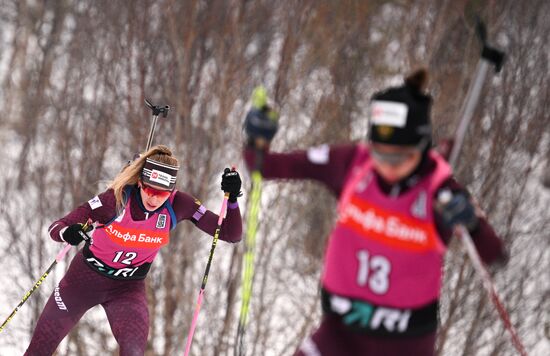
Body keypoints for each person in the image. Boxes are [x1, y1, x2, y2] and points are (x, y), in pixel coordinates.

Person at [242, 70, 507, 356]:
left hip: (406, 345)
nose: (388, 167)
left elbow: (495, 256)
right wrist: (257, 139)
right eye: (381, 154)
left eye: (400, 157)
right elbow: (265, 166)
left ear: (422, 148)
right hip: (340, 333)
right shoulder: (352, 164)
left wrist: (471, 223)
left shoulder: (441, 191)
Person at [25, 145, 243, 355]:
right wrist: (68, 233)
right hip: (83, 282)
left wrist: (232, 199)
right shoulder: (114, 200)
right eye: (149, 190)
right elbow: (57, 226)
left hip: (127, 289)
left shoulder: (179, 205)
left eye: (162, 194)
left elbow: (229, 234)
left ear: (172, 191)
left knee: (133, 351)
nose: (154, 198)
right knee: (39, 349)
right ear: (140, 182)